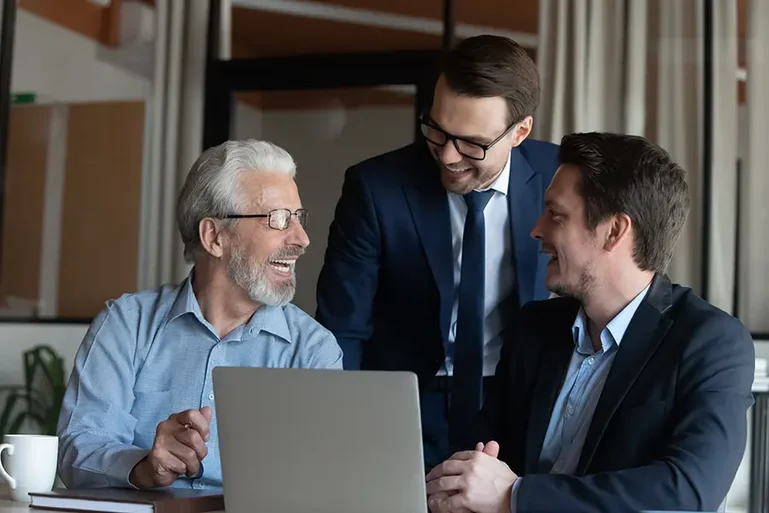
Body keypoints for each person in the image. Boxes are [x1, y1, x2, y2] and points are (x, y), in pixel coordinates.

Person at [425, 132, 755, 513]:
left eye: (557, 215)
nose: (537, 230)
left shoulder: (712, 343)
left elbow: (689, 489)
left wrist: (515, 497)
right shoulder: (533, 328)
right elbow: (478, 453)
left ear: (614, 231)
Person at [315, 35, 559, 468]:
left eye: (471, 144)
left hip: (519, 402)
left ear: (520, 132)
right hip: (401, 405)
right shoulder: (375, 189)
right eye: (437, 129)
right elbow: (343, 329)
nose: (447, 156)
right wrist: (338, 428)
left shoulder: (559, 180)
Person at [57, 140, 343, 490]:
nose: (302, 238)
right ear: (214, 236)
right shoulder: (126, 323)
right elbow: (77, 448)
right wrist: (143, 467)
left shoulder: (313, 351)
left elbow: (323, 483)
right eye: (279, 219)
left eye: (298, 218)